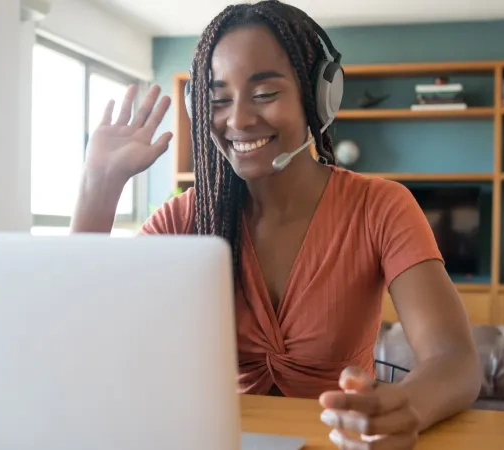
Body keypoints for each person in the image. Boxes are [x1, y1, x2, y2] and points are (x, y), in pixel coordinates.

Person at [70, 1, 481, 447]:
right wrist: (99, 184)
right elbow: (78, 336)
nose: (239, 119)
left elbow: (455, 359)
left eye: (264, 94)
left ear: (318, 98)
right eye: (218, 99)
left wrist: (406, 408)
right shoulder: (186, 218)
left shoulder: (379, 206)